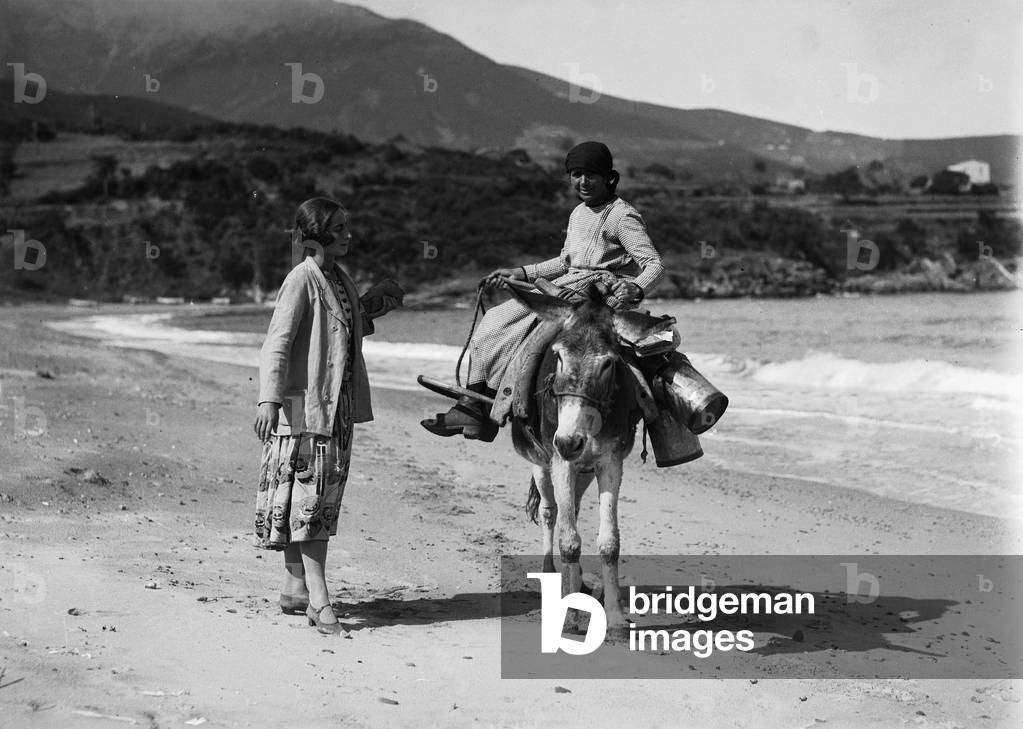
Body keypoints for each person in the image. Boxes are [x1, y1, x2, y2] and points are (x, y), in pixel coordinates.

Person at [421, 141, 665, 441]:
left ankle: (481, 410)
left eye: (592, 175)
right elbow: (565, 262)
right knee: (496, 321)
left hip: (595, 299)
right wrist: (520, 272)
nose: (583, 182)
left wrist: (635, 287)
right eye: (576, 174)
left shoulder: (621, 216)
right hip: (565, 290)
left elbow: (654, 264)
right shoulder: (578, 212)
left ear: (609, 178)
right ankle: (473, 404)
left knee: (520, 330)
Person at [253, 197, 403, 635]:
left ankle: (295, 587)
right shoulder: (301, 280)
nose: (348, 234)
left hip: (334, 407)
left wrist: (373, 303)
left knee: (311, 498)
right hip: (307, 407)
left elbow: (343, 328)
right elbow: (277, 341)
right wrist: (268, 400)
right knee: (312, 501)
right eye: (339, 228)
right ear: (317, 233)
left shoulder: (337, 277)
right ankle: (320, 601)